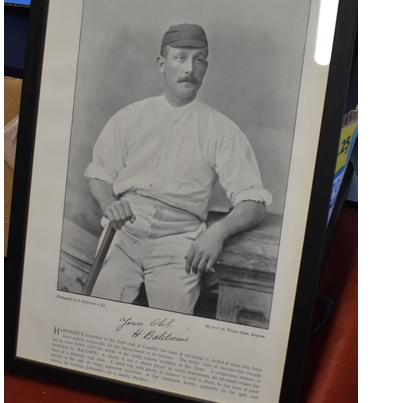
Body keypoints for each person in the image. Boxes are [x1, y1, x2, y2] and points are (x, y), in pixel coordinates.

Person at [84, 23, 272, 314]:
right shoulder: (130, 117)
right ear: (162, 63)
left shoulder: (221, 129)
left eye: (198, 60)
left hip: (179, 241)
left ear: (206, 68)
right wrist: (109, 203)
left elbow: (254, 202)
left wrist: (218, 232)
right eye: (180, 57)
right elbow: (100, 174)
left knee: (172, 324)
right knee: (98, 310)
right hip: (124, 231)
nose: (190, 68)